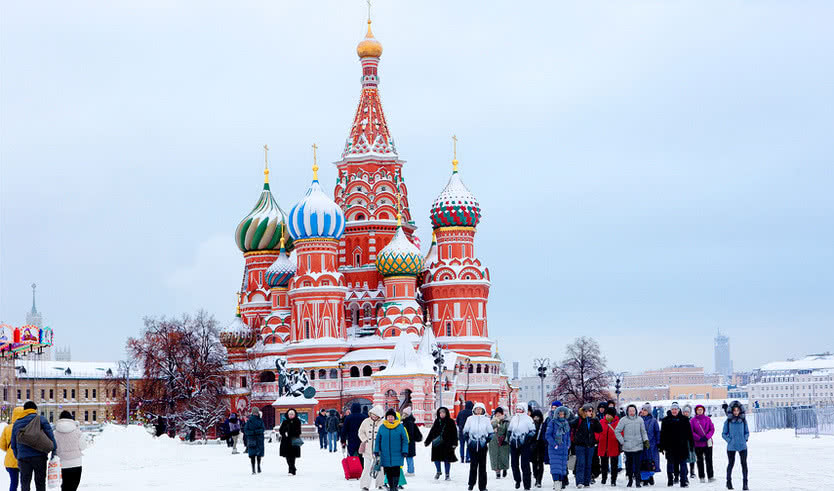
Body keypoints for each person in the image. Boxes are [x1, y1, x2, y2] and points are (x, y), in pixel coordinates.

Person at [10, 401, 57, 491]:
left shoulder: (17, 423)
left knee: (25, 483)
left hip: (23, 458)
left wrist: (18, 456)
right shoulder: (41, 419)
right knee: (40, 483)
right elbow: (51, 436)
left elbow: (13, 444)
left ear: (24, 410)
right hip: (40, 456)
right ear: (35, 409)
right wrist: (54, 450)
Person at [659, 403, 694, 488]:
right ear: (671, 410)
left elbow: (689, 434)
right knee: (670, 464)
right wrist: (662, 446)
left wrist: (691, 444)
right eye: (673, 409)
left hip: (682, 446)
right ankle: (670, 480)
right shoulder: (665, 420)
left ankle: (683, 481)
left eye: (676, 409)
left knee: (683, 464)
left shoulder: (684, 420)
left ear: (679, 410)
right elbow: (662, 434)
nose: (674, 411)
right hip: (670, 446)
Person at [374, 409, 409, 491]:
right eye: (388, 416)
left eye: (392, 416)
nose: (390, 418)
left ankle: (395, 486)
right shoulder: (382, 427)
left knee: (396, 470)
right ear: (386, 417)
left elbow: (405, 440)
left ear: (395, 417)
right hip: (385, 453)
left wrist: (405, 451)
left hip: (398, 453)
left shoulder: (400, 427)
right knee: (388, 471)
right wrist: (376, 450)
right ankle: (392, 487)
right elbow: (378, 440)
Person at [615, 404, 649, 488]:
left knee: (637, 465)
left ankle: (638, 481)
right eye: (630, 411)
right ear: (627, 411)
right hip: (628, 447)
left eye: (633, 411)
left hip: (638, 446)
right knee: (629, 465)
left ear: (636, 411)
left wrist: (646, 440)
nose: (631, 412)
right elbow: (617, 431)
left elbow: (643, 432)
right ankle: (630, 480)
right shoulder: (623, 420)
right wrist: (622, 441)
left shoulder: (640, 420)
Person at [53, 411, 87, 491]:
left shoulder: (55, 433)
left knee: (65, 486)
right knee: (73, 487)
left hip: (62, 463)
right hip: (76, 463)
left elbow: (53, 447)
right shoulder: (77, 431)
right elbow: (83, 446)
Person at [463, 402, 494, 491]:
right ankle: (471, 484)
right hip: (472, 445)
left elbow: (491, 433)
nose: (478, 410)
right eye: (477, 409)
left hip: (482, 446)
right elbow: (465, 431)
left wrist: (485, 440)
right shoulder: (470, 419)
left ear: (483, 410)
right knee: (473, 465)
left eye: (480, 409)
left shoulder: (486, 420)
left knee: (482, 466)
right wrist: (469, 440)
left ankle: (483, 486)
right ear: (474, 410)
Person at [572, 403, 602, 489]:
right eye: (589, 411)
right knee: (581, 463)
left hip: (590, 445)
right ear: (584, 412)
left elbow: (600, 430)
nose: (591, 412)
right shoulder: (579, 419)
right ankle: (579, 482)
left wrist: (596, 420)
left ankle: (586, 482)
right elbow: (570, 424)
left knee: (588, 464)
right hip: (580, 445)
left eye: (592, 411)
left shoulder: (593, 420)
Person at [424, 406, 458, 481]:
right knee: (436, 458)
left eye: (443, 412)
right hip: (437, 443)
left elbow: (454, 433)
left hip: (447, 444)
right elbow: (432, 432)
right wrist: (428, 441)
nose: (441, 414)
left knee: (447, 459)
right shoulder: (437, 421)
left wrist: (454, 443)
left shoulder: (451, 422)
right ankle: (438, 471)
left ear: (446, 413)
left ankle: (447, 474)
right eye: (440, 413)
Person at [508, 403, 536, 490]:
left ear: (524, 410)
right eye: (517, 409)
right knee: (514, 464)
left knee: (525, 464)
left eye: (520, 409)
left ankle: (527, 485)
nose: (518, 411)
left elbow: (533, 431)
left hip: (524, 444)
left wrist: (527, 438)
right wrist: (509, 438)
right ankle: (517, 479)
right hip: (514, 443)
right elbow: (509, 430)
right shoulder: (514, 418)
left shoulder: (528, 419)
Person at [721, 401, 749, 491]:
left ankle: (745, 484)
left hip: (742, 446)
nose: (736, 412)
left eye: (737, 410)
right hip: (731, 446)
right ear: (732, 411)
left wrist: (745, 438)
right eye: (734, 410)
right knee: (731, 464)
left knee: (744, 464)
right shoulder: (728, 421)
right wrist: (729, 440)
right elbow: (724, 434)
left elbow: (747, 432)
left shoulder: (743, 420)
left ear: (740, 411)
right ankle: (728, 481)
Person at [359, 406, 385, 491]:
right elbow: (361, 432)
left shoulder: (383, 423)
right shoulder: (366, 421)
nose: (373, 416)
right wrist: (365, 439)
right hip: (367, 449)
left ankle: (380, 484)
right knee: (367, 468)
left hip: (379, 449)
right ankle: (365, 485)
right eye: (372, 414)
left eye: (376, 415)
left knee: (380, 467)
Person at [545, 406, 571, 490]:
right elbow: (548, 435)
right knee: (555, 466)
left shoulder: (566, 423)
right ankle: (556, 483)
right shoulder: (552, 422)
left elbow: (567, 435)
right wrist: (554, 444)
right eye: (560, 413)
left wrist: (568, 444)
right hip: (554, 449)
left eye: (563, 413)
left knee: (562, 467)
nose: (561, 415)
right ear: (557, 414)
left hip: (563, 448)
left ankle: (560, 482)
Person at [690, 404, 715, 483]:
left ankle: (710, 476)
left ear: (703, 410)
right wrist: (698, 438)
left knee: (709, 460)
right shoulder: (693, 420)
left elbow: (712, 429)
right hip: (698, 444)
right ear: (696, 411)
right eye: (698, 410)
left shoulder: (708, 419)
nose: (700, 411)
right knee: (699, 460)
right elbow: (691, 431)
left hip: (707, 443)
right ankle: (702, 476)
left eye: (701, 409)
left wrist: (707, 437)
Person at [1, 407, 24, 491]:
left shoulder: (7, 428)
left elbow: (2, 445)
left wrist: (9, 450)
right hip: (23, 459)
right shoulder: (26, 427)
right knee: (24, 483)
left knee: (13, 483)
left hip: (10, 461)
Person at [597, 407, 620, 486]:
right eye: (607, 414)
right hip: (603, 446)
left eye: (610, 415)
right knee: (603, 464)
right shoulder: (601, 422)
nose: (608, 416)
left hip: (613, 446)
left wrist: (615, 437)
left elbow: (621, 433)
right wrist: (599, 438)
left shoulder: (618, 422)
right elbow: (597, 432)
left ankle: (613, 480)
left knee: (614, 465)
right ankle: (604, 478)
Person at [639, 403, 660, 486]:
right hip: (640, 444)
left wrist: (658, 443)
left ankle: (650, 476)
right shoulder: (639, 419)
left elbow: (657, 432)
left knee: (650, 461)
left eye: (645, 410)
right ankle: (643, 478)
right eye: (642, 410)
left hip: (651, 445)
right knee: (642, 461)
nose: (643, 412)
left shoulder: (653, 420)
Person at [279, 409, 302, 475]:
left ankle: (291, 470)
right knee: (287, 455)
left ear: (294, 415)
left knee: (293, 455)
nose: (291, 416)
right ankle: (292, 467)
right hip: (286, 441)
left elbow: (299, 431)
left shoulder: (297, 421)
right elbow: (281, 430)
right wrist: (284, 432)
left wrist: (290, 432)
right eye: (290, 414)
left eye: (292, 414)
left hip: (294, 439)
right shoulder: (285, 421)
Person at [488, 407, 510, 479]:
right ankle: (497, 472)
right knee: (495, 457)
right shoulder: (492, 421)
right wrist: (495, 423)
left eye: (499, 413)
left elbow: (508, 431)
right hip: (493, 442)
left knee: (503, 457)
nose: (498, 415)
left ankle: (504, 469)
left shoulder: (506, 421)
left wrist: (506, 440)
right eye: (496, 413)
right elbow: (489, 429)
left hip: (503, 441)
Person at [400, 407, 422, 476]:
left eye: (404, 413)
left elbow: (408, 434)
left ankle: (410, 471)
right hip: (411, 443)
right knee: (409, 457)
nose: (403, 415)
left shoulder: (407, 422)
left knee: (408, 457)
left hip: (408, 443)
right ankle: (410, 470)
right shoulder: (410, 422)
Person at [244, 407, 265, 475]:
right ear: (252, 413)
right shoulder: (249, 421)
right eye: (254, 412)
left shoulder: (260, 420)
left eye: (256, 412)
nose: (255, 414)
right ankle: (253, 469)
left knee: (258, 454)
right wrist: (254, 432)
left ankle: (258, 466)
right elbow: (246, 431)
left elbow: (263, 429)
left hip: (258, 439)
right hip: (253, 439)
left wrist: (255, 432)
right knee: (252, 455)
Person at [530, 409, 547, 488]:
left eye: (538, 417)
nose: (536, 418)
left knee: (540, 463)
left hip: (541, 445)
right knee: (534, 463)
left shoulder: (543, 425)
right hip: (533, 446)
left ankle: (539, 480)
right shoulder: (530, 425)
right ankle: (535, 476)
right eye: (535, 417)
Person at [681, 406, 696, 479]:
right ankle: (685, 471)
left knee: (692, 456)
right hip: (683, 441)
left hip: (691, 440)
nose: (686, 413)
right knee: (684, 457)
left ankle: (692, 471)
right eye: (685, 412)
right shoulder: (681, 420)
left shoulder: (692, 420)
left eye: (687, 412)